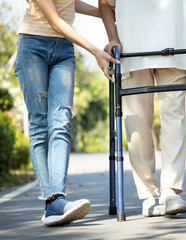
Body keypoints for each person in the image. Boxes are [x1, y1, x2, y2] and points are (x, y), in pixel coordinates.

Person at [99, 0, 186, 217]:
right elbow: (104, 2)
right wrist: (113, 38)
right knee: (137, 121)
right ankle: (148, 193)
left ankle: (170, 189)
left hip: (176, 40)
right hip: (132, 44)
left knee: (174, 114)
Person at [14, 0, 119, 226]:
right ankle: (52, 201)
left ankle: (56, 200)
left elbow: (67, 2)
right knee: (40, 124)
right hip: (33, 45)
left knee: (61, 122)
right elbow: (55, 20)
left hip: (64, 49)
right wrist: (95, 51)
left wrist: (102, 12)